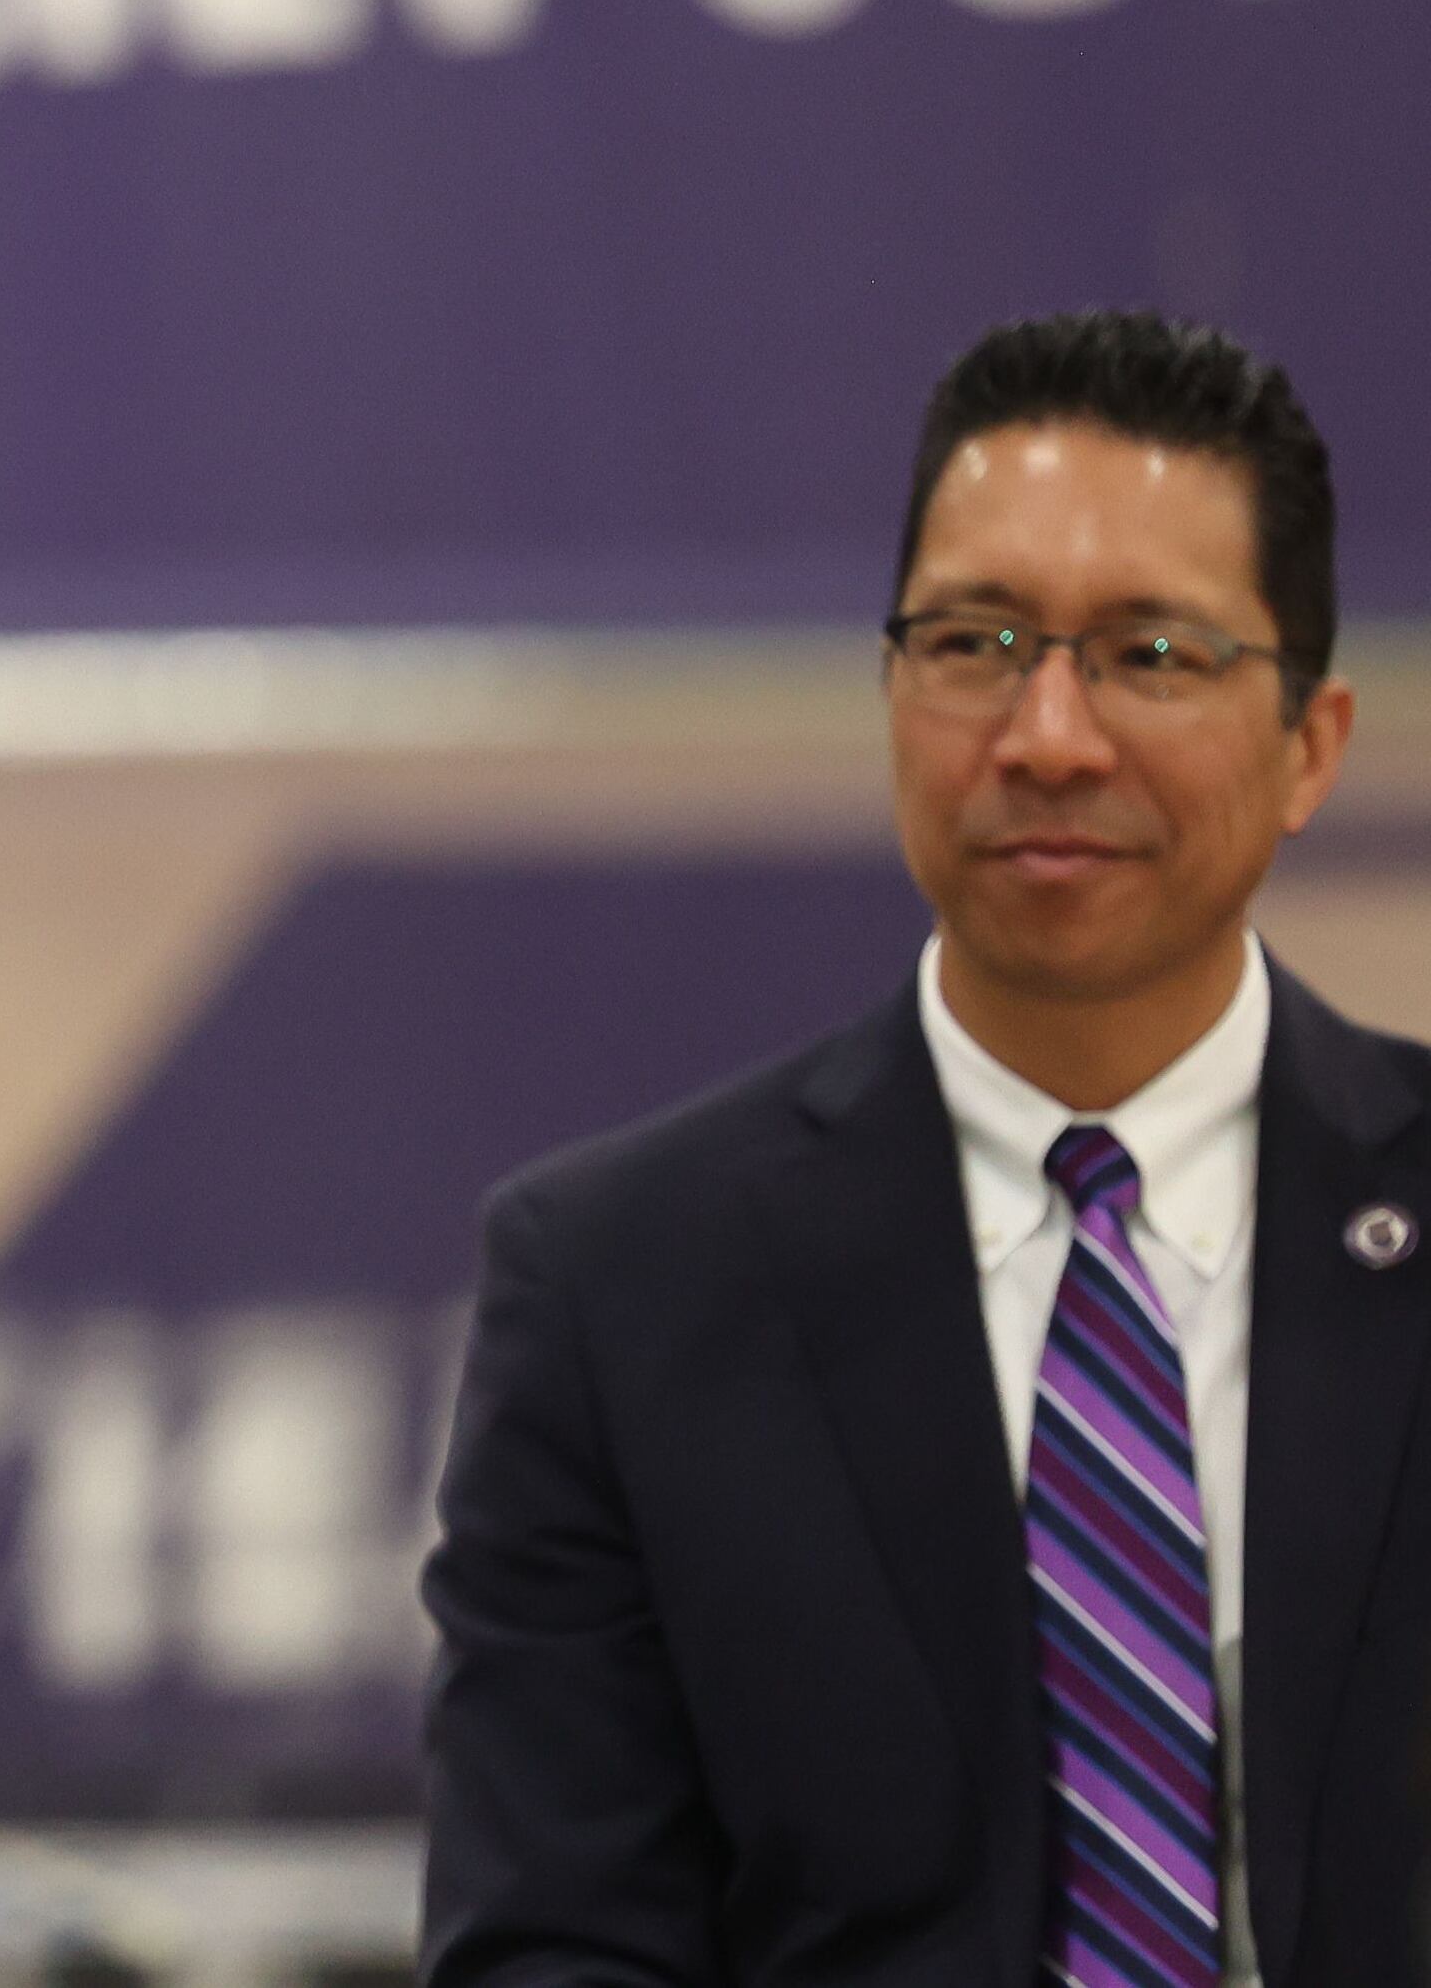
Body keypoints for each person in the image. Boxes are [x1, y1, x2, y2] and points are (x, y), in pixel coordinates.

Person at [426, 314, 1428, 1988]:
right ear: (893, 684)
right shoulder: (620, 1286)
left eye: (1151, 656)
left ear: (1310, 743)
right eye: (974, 641)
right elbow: (551, 1945)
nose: (1047, 733)